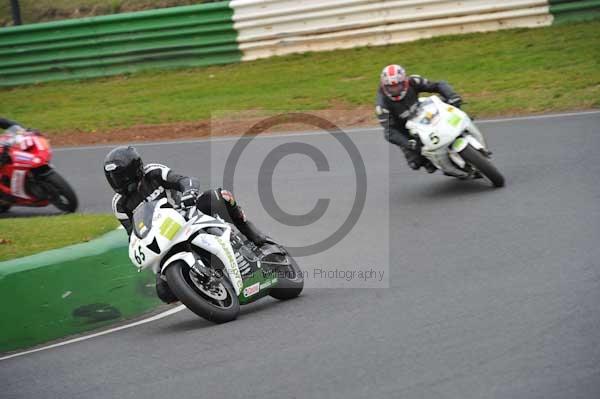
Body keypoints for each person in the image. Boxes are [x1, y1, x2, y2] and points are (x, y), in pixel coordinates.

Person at [104, 145, 274, 303]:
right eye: (114, 179)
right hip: (163, 239)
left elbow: (185, 180)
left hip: (187, 213)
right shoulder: (119, 204)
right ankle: (199, 288)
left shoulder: (153, 172)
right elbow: (131, 234)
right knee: (164, 292)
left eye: (122, 176)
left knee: (220, 196)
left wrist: (189, 193)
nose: (120, 182)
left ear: (136, 169)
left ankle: (249, 231)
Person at [376, 64, 462, 172]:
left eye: (398, 86)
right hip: (406, 129)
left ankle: (463, 124)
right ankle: (440, 165)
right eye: (391, 87)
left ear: (404, 82)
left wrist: (452, 96)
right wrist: (408, 143)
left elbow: (438, 85)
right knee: (415, 163)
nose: (395, 90)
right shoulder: (382, 105)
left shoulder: (414, 81)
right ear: (384, 86)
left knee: (452, 105)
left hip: (422, 111)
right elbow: (389, 131)